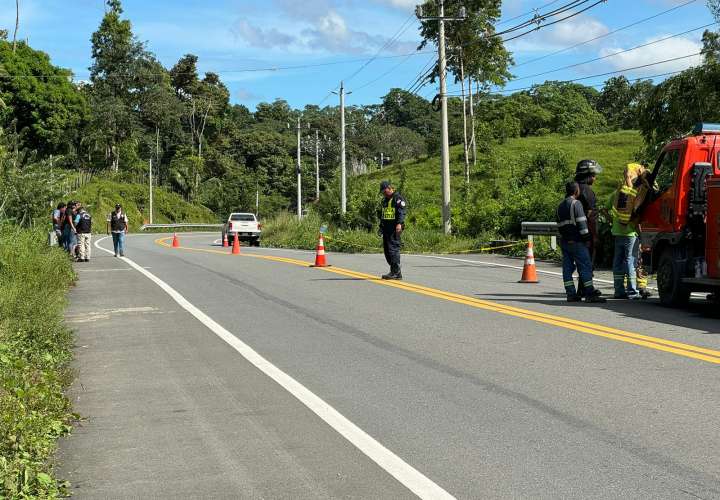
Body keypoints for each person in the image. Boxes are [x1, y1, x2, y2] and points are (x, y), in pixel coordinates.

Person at [556, 181, 606, 303]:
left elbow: (559, 226)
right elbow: (582, 225)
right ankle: (590, 293)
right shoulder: (576, 204)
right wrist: (588, 238)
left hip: (565, 242)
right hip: (577, 242)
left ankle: (571, 294)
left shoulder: (560, 206)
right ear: (576, 191)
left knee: (567, 269)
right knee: (585, 267)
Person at [606, 163, 649, 300]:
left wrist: (612, 222)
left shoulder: (617, 194)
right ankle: (632, 291)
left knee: (618, 262)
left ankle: (619, 290)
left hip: (617, 233)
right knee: (630, 261)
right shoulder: (635, 194)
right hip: (630, 234)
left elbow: (606, 209)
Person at [574, 159, 603, 296]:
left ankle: (581, 289)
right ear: (587, 175)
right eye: (593, 175)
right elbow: (591, 217)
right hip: (586, 234)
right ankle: (587, 289)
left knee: (581, 262)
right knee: (588, 262)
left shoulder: (574, 189)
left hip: (574, 233)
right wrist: (595, 236)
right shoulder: (588, 192)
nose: (595, 178)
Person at [378, 180, 406, 280]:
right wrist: (381, 227)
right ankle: (395, 271)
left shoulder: (398, 198)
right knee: (387, 251)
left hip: (395, 229)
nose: (384, 194)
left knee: (393, 250)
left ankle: (396, 272)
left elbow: (401, 212)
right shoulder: (385, 200)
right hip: (386, 229)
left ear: (390, 188)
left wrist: (399, 224)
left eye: (385, 191)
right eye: (383, 193)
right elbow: (383, 215)